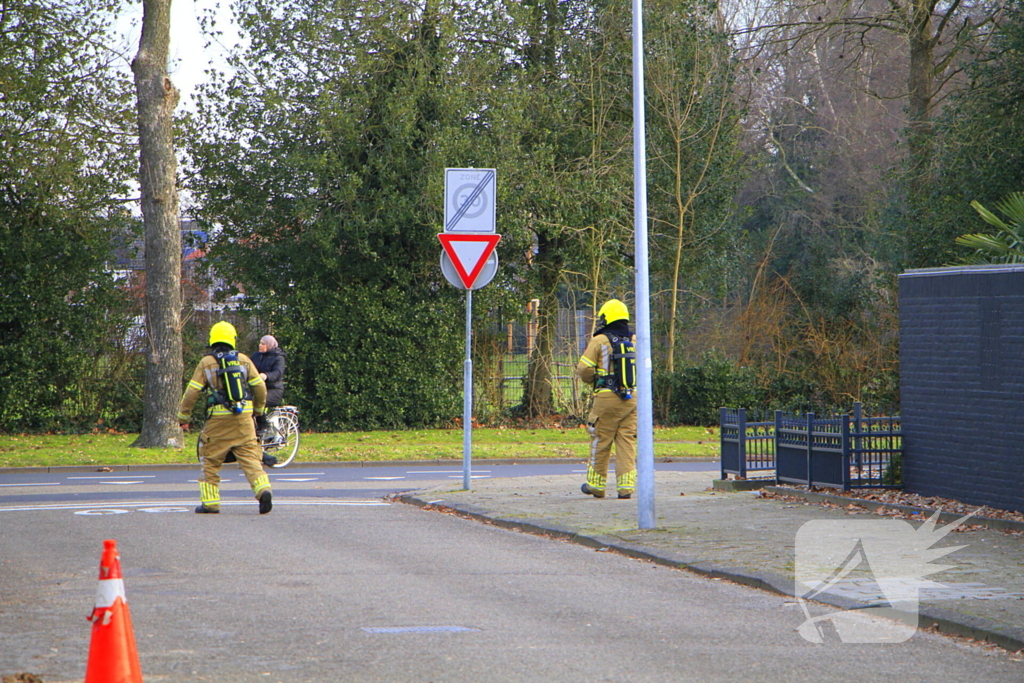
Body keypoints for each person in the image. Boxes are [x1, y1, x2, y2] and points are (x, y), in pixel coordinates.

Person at [177, 321, 273, 515]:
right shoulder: (244, 360)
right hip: (244, 419)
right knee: (251, 459)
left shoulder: (206, 362)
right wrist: (258, 410)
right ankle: (263, 490)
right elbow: (260, 387)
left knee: (210, 460)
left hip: (218, 421)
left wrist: (183, 416)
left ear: (213, 339)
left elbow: (192, 392)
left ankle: (210, 503)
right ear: (232, 339)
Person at [576, 299, 638, 499]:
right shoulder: (635, 339)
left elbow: (583, 369)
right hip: (632, 397)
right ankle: (626, 488)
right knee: (626, 440)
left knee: (600, 439)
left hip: (606, 397)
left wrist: (594, 379)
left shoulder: (600, 340)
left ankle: (596, 485)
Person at [251, 335, 286, 409]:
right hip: (258, 387)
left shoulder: (278, 358)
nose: (260, 345)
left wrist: (265, 376)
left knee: (258, 402)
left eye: (263, 344)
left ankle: (262, 421)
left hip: (274, 389)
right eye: (260, 343)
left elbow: (278, 373)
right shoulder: (256, 356)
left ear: (269, 345)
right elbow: (249, 367)